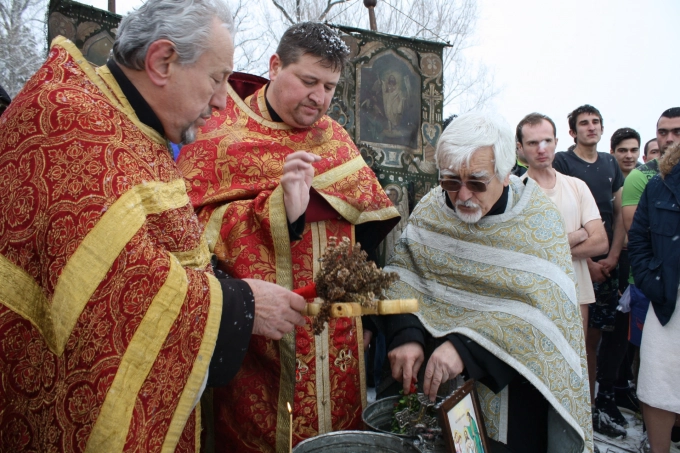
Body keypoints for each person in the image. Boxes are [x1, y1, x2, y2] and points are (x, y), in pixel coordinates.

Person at [0, 1, 308, 451]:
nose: (222, 101)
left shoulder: (128, 122)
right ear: (162, 61)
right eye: (216, 78)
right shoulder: (71, 120)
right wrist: (242, 305)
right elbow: (116, 290)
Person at [177, 22, 400, 452]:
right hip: (259, 342)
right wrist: (280, 211)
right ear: (276, 65)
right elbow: (193, 229)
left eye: (330, 87)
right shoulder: (220, 132)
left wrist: (367, 318)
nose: (319, 97)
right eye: (309, 81)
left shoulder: (335, 138)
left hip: (336, 340)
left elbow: (364, 236)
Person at [380, 112, 592, 453]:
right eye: (450, 181)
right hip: (432, 387)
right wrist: (406, 333)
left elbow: (543, 315)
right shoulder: (433, 208)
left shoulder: (538, 220)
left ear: (506, 174)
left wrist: (466, 349)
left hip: (512, 399)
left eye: (477, 183)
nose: (462, 195)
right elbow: (402, 274)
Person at [553, 104, 627, 437]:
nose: (591, 127)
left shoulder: (611, 164)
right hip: (576, 265)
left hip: (608, 264)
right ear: (572, 132)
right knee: (574, 341)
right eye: (584, 123)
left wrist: (612, 256)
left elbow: (619, 212)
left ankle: (593, 406)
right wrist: (589, 262)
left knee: (596, 341)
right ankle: (571, 409)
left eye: (596, 122)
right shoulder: (562, 163)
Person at [516, 112, 608, 338]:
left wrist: (548, 250)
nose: (541, 149)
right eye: (533, 143)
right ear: (520, 148)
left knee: (577, 357)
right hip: (532, 297)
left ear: (556, 142)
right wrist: (579, 235)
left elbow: (600, 243)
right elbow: (523, 251)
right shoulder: (514, 192)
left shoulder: (577, 186)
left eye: (547, 141)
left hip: (576, 292)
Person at [628, 142, 680, 453]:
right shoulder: (661, 184)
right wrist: (653, 282)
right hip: (668, 302)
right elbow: (638, 238)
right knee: (659, 384)